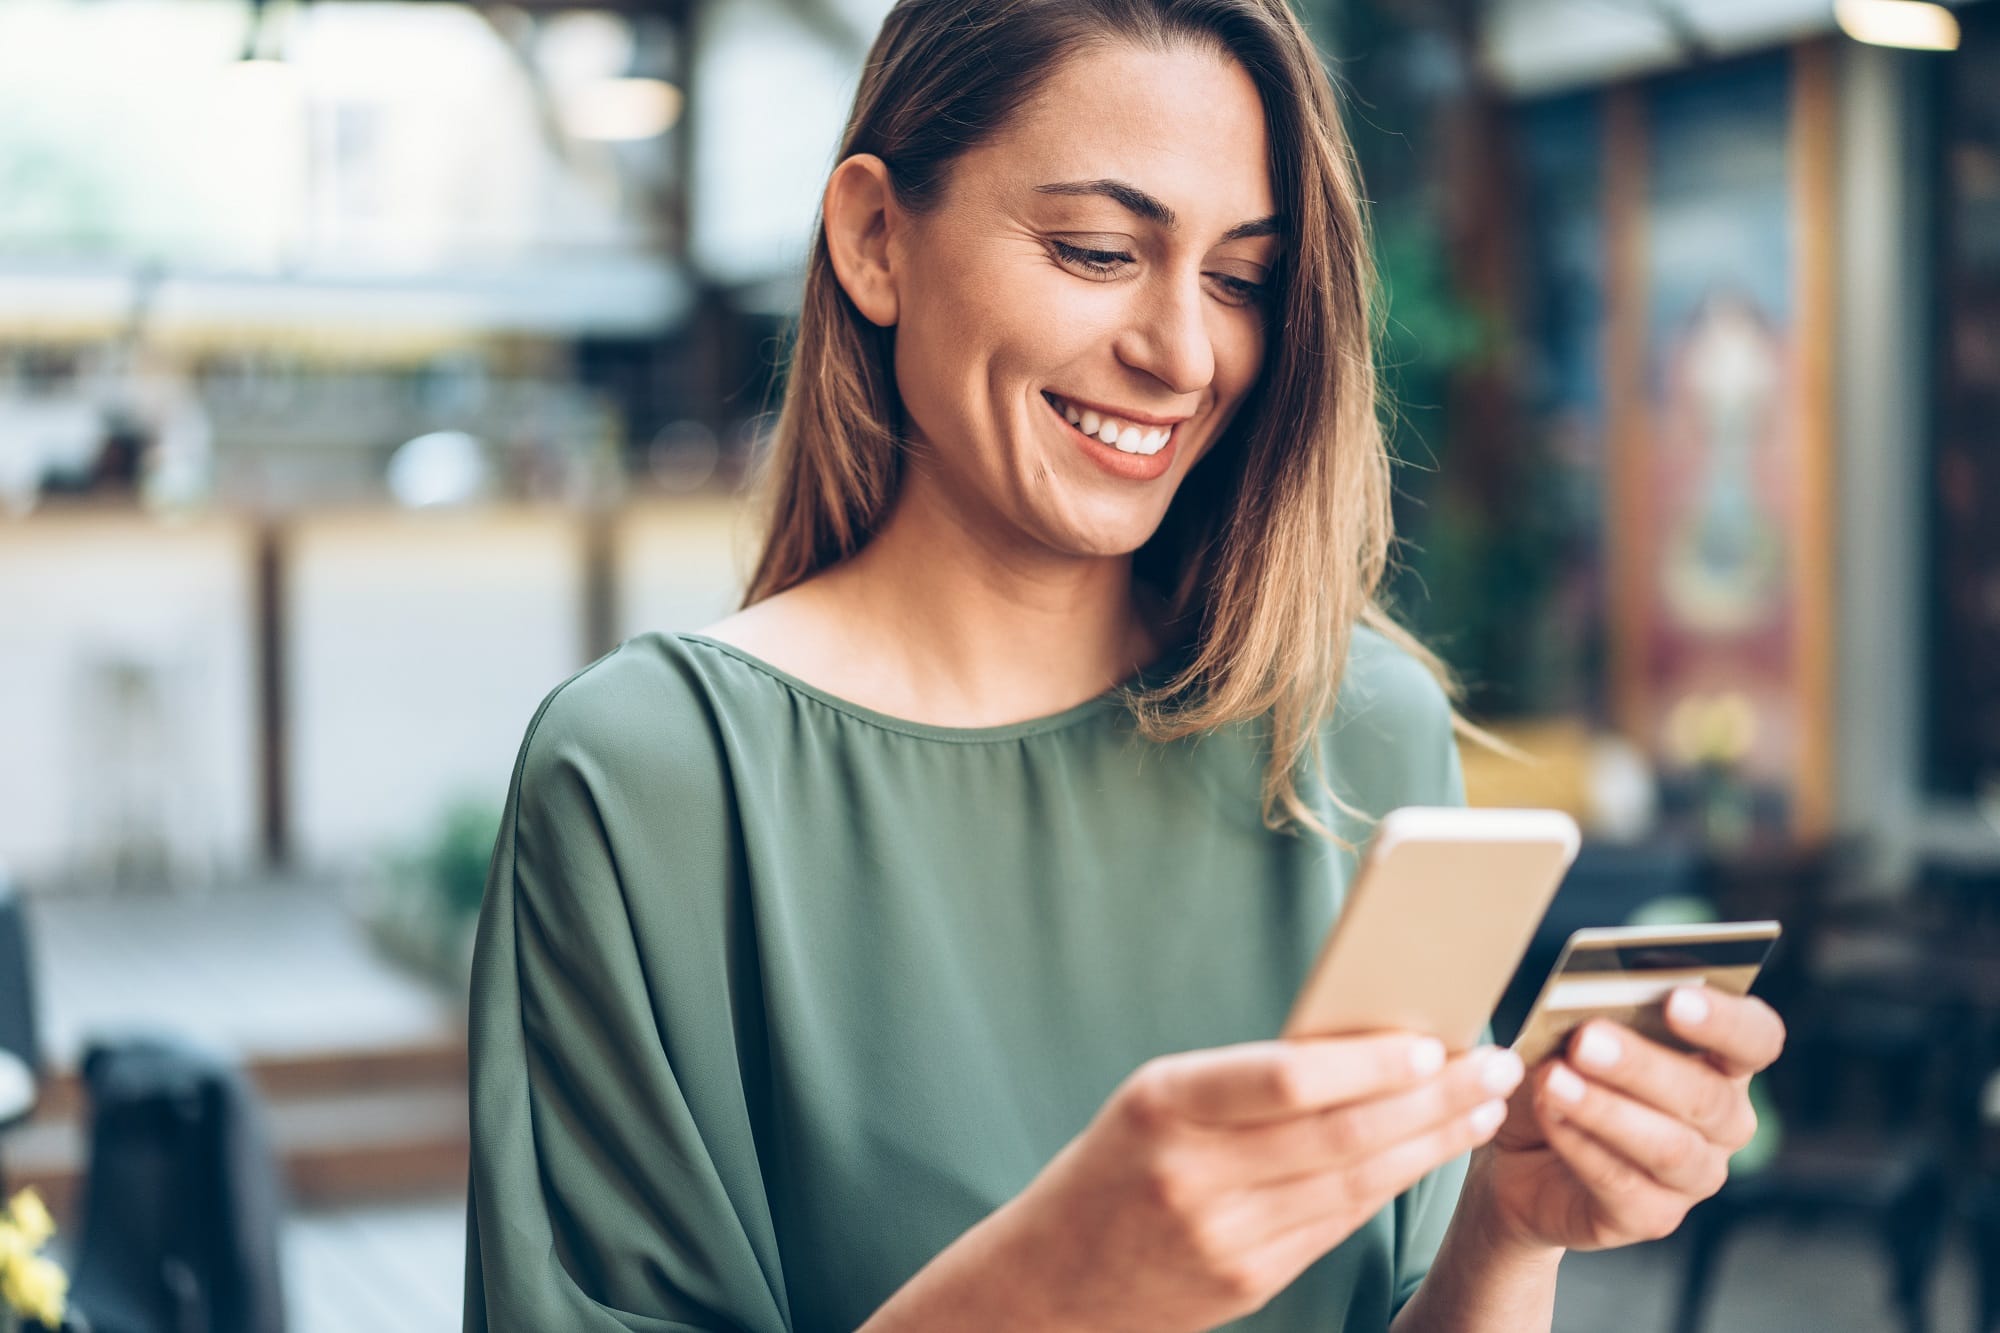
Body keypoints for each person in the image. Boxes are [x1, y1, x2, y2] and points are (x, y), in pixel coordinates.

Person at [462, 1, 1786, 1329]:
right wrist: (1052, 1287)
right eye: (1098, 251)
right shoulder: (653, 777)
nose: (1184, 353)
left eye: (1240, 279)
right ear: (875, 239)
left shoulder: (1351, 731)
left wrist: (1509, 1232)